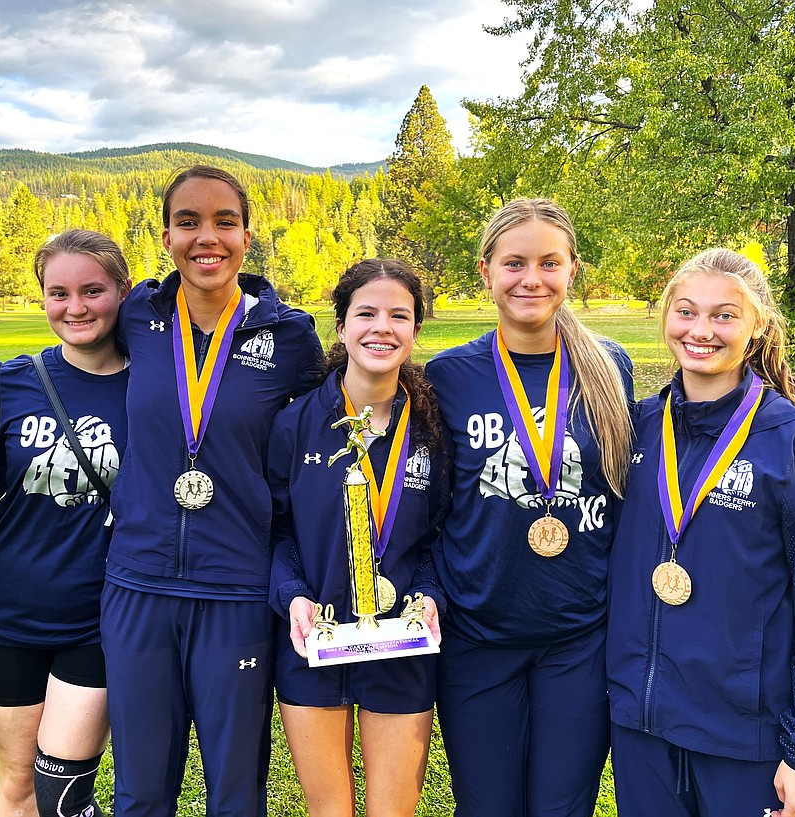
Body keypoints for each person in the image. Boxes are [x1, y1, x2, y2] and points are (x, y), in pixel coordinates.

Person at [99, 164, 324, 816]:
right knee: (140, 790)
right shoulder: (138, 314)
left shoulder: (289, 337)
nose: (208, 237)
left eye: (225, 222)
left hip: (236, 589)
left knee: (234, 790)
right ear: (165, 235)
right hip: (138, 584)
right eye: (189, 221)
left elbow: (316, 453)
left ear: (247, 236)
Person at [606, 248, 795, 817]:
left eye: (724, 315)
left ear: (757, 325)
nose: (700, 331)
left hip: (743, 737)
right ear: (665, 315)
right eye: (686, 311)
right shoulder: (637, 426)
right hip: (642, 726)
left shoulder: (794, 442)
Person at [424, 199, 634, 817]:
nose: (531, 279)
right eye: (514, 263)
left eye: (549, 263)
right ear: (486, 272)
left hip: (579, 638)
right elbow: (432, 505)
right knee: (486, 806)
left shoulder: (610, 367)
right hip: (478, 634)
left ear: (573, 270)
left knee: (563, 806)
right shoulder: (449, 375)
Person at [268, 259, 448, 817]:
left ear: (416, 331)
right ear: (341, 327)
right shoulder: (295, 424)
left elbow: (444, 535)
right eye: (365, 313)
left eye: (399, 315)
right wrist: (294, 594)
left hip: (401, 647)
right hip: (312, 644)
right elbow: (274, 530)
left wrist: (427, 596)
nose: (382, 327)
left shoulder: (434, 429)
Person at [0, 230, 132, 817]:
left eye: (92, 290)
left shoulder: (153, 385)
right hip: (8, 610)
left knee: (63, 791)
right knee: (16, 785)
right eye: (58, 292)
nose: (76, 307)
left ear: (123, 290)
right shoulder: (11, 381)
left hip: (98, 613)